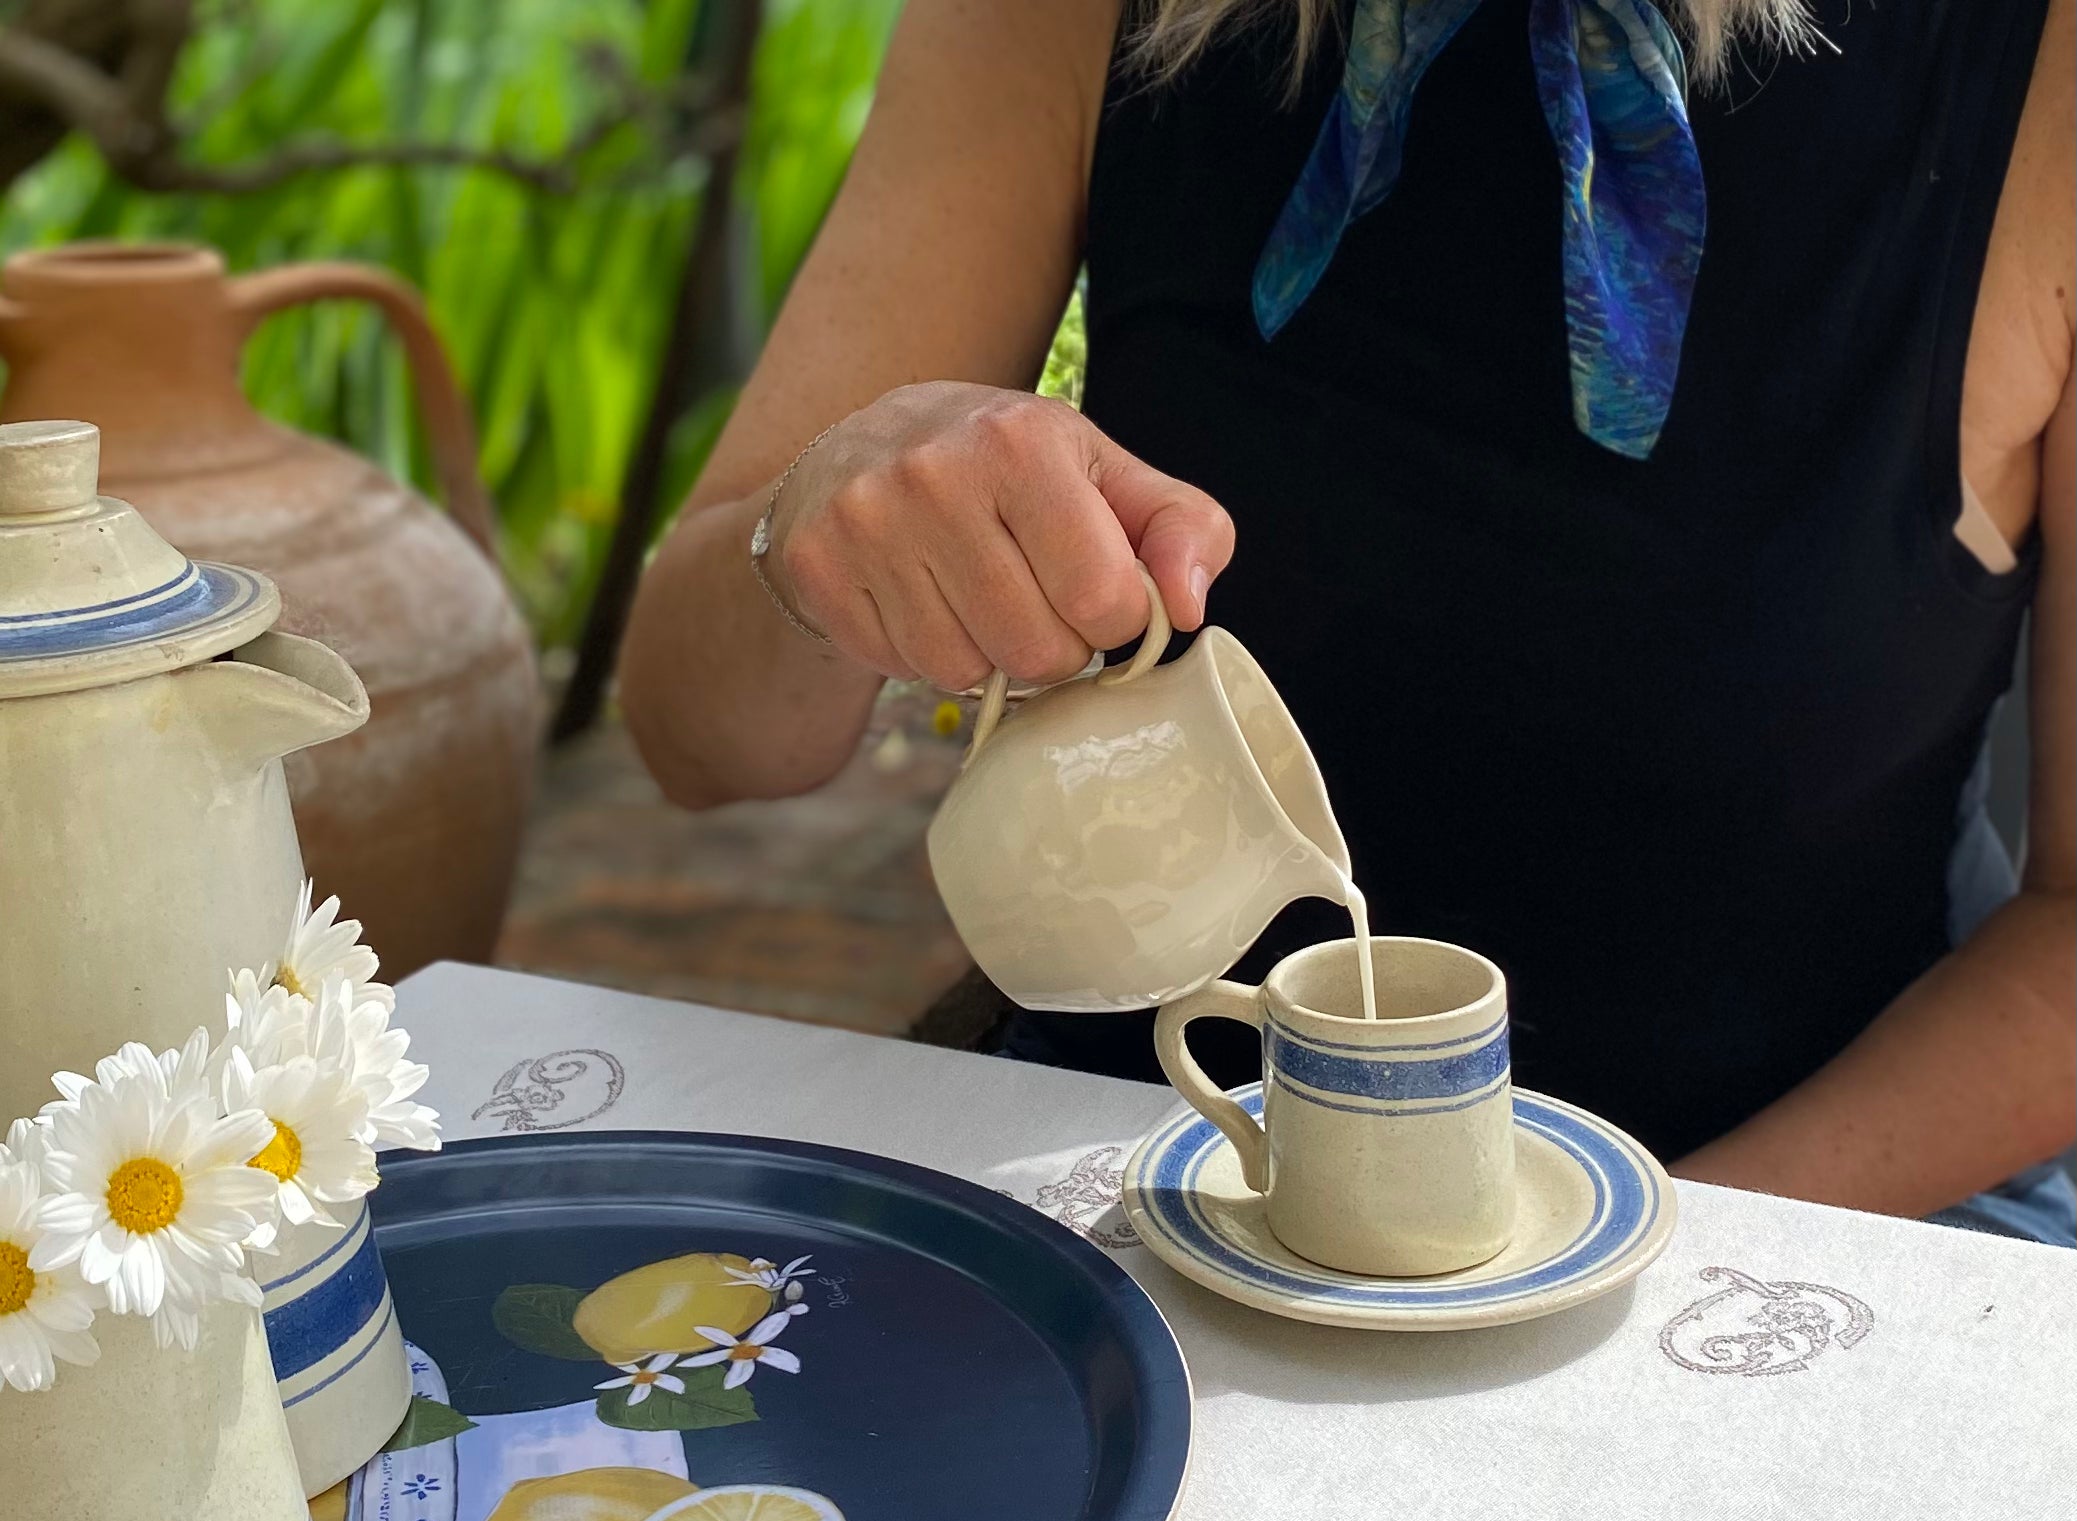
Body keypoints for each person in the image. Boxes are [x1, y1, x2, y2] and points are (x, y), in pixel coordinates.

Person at [620, 0, 2075, 1243]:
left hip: (1804, 1219)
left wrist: (1604, 1263)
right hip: (1160, 1169)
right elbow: (700, 738)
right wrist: (821, 521)